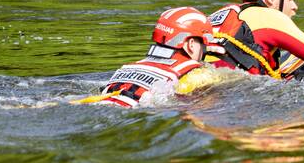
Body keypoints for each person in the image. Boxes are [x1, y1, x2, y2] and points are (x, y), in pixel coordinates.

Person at [81, 7, 215, 108]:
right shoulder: (195, 73)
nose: (204, 50)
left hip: (95, 104)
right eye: (203, 44)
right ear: (191, 44)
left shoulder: (130, 66)